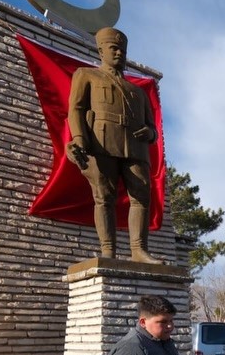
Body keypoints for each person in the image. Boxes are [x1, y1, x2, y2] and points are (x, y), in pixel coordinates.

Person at [67, 27, 161, 263]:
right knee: (104, 196)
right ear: (101, 51)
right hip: (102, 142)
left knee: (141, 196)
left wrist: (150, 133)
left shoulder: (138, 92)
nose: (119, 53)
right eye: (114, 48)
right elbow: (76, 109)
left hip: (136, 148)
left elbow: (153, 128)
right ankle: (108, 250)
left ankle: (139, 250)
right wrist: (80, 139)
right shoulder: (87, 75)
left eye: (123, 50)